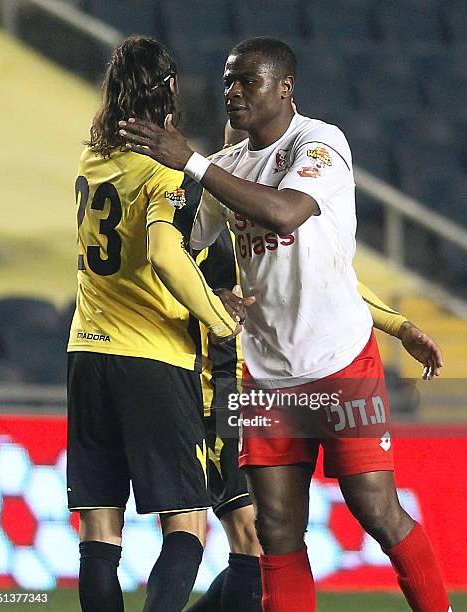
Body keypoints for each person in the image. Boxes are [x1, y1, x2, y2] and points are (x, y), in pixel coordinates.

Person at [119, 37, 451, 612]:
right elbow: (182, 250)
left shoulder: (319, 144)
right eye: (227, 81)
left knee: (375, 508)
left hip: (341, 363)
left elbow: (286, 211)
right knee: (275, 530)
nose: (233, 92)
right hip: (266, 377)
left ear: (285, 88)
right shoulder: (225, 166)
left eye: (247, 81)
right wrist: (209, 289)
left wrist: (191, 161)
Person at [66, 36, 248, 612]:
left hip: (86, 351)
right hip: (152, 356)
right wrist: (220, 320)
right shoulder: (161, 172)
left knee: (99, 534)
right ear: (168, 91)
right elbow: (167, 255)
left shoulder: (92, 161)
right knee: (187, 525)